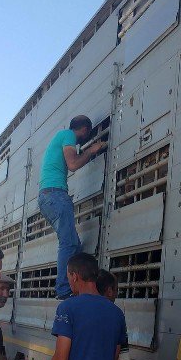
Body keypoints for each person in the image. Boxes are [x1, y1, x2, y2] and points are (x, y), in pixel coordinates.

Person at [39, 115, 106, 299]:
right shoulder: (68, 135)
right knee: (68, 243)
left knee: (74, 244)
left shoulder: (60, 137)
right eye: (88, 132)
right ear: (84, 129)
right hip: (55, 194)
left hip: (49, 196)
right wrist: (91, 150)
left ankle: (74, 285)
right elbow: (73, 163)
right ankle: (64, 289)